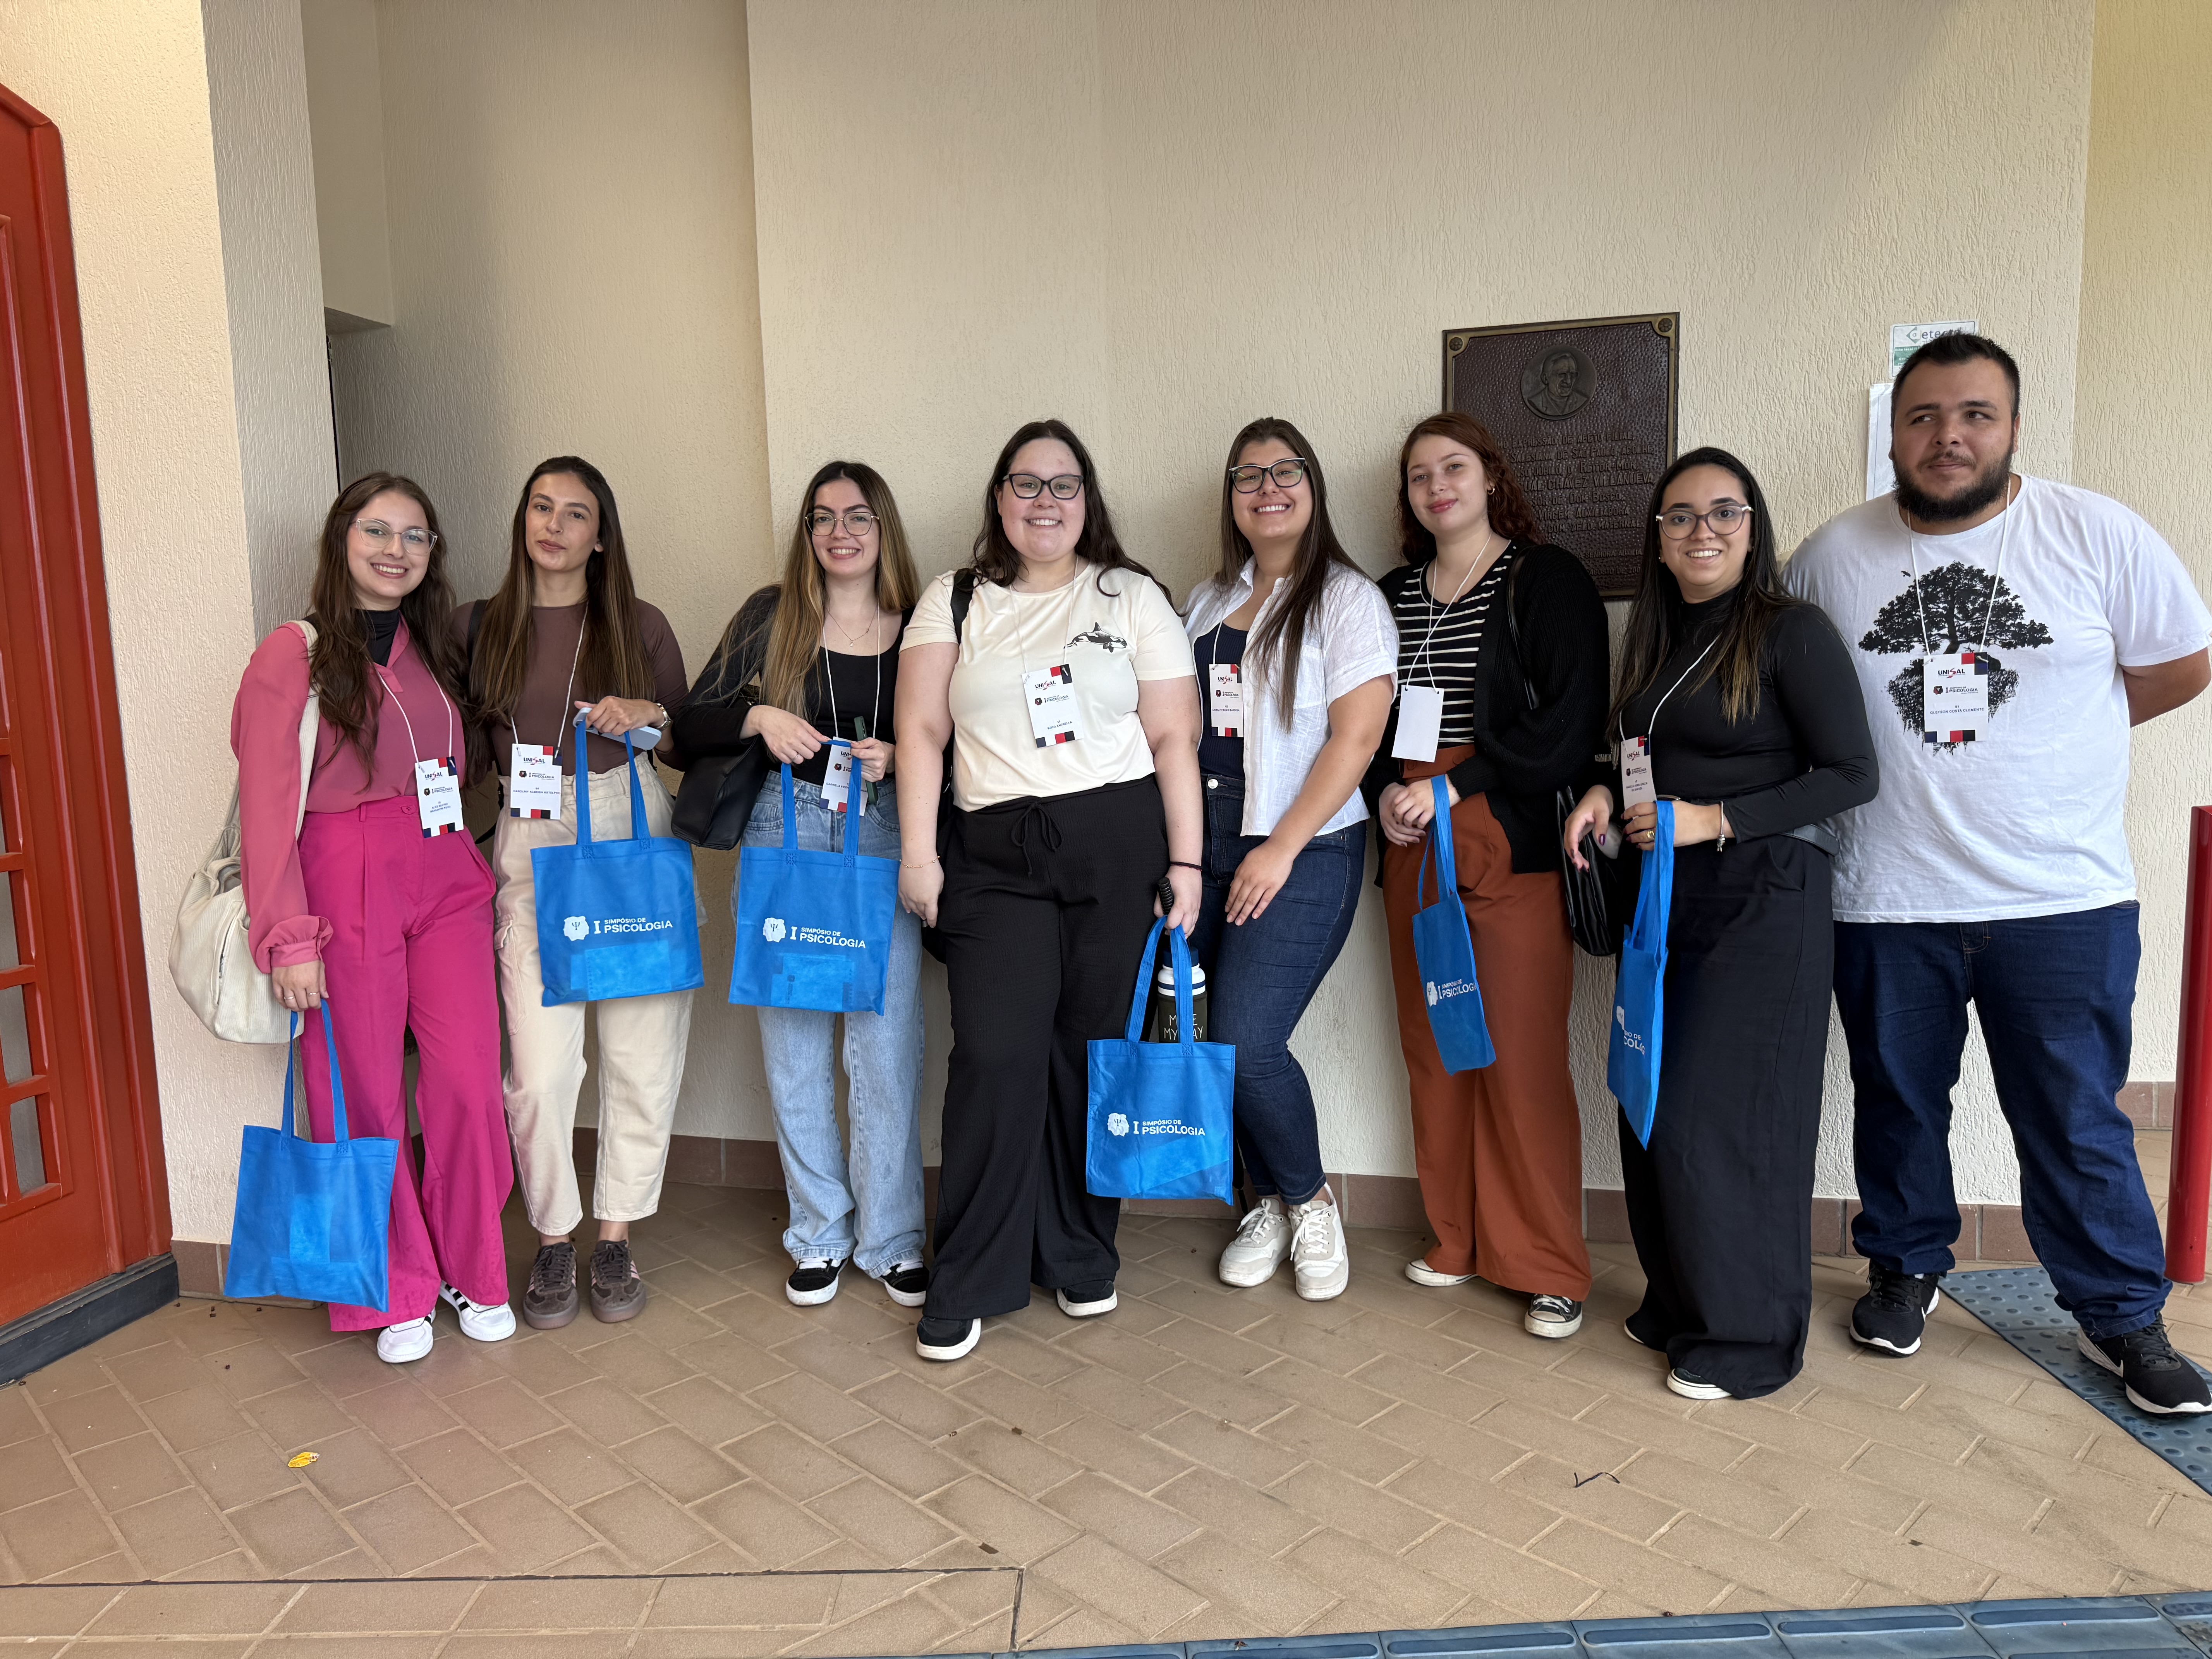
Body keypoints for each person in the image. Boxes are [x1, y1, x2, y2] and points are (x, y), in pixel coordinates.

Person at [1787, 332, 2212, 1415]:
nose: (1949, 436)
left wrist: (2067, 742)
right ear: (1893, 431)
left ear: (2013, 426)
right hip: (1887, 895)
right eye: (1924, 416)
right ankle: (1905, 1266)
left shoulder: (2096, 532)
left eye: (1975, 414)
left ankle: (2123, 1316)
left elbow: (2179, 664)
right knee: (1896, 1103)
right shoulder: (1831, 557)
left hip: (2061, 897)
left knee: (2074, 1115)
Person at [1564, 447, 1877, 1400]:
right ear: (1658, 542)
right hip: (1670, 900)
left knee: (1729, 1120)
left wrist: (1718, 818)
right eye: (1681, 517)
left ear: (1753, 528)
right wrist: (1599, 793)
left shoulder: (1791, 631)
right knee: (1655, 1100)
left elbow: (1853, 774)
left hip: (1763, 900)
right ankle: (1682, 1302)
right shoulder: (1658, 643)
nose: (1703, 531)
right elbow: (1637, 756)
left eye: (1723, 513)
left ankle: (1750, 1339)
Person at [896, 419, 1201, 1362]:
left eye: (1063, 485)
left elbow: (1174, 741)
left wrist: (1188, 866)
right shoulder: (954, 599)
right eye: (1026, 484)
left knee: (1087, 1053)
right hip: (994, 857)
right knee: (997, 1055)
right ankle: (972, 1274)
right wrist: (920, 856)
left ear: (1087, 499)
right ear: (999, 499)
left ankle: (1076, 1250)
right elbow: (921, 734)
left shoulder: (1132, 595)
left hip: (1118, 848)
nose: (1045, 501)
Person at [232, 472, 512, 1364]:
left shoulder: (434, 651)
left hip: (445, 872)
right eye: (378, 531)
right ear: (342, 539)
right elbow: (266, 809)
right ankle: (392, 1285)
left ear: (432, 553)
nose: (397, 550)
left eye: (415, 536)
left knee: (469, 1081)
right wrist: (288, 937)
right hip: (344, 879)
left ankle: (471, 1264)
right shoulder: (293, 655)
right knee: (362, 1090)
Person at [1362, 411, 1607, 1341]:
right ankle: (1457, 1236)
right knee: (1436, 1042)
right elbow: (1364, 718)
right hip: (1410, 835)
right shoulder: (1390, 594)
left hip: (1505, 829)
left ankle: (1546, 1264)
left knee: (1517, 1051)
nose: (1438, 486)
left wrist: (1453, 786)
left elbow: (1569, 721)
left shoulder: (1545, 578)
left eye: (1455, 467)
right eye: (1419, 474)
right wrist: (1386, 793)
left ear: (1492, 477)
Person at [673, 461, 926, 1311]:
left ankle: (892, 1239)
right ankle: (818, 1234)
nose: (839, 532)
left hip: (882, 836)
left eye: (857, 517)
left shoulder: (922, 623)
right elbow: (686, 727)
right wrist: (758, 717)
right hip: (782, 834)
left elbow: (961, 733)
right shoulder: (770, 616)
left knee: (885, 1050)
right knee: (794, 1050)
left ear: (883, 528)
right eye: (822, 518)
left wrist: (904, 755)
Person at [459, 456, 694, 1331]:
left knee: (641, 1055)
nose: (553, 525)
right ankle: (553, 1235)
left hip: (629, 824)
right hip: (531, 832)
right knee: (539, 1069)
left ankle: (615, 1236)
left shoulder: (639, 623)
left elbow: (687, 740)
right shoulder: (477, 624)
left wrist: (648, 714)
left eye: (575, 513)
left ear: (601, 537)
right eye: (540, 507)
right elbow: (458, 747)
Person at [1182, 419, 1395, 1300]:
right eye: (1249, 475)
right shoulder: (1205, 600)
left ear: (1313, 487)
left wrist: (1279, 846)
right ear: (1231, 498)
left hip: (1304, 848)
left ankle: (1310, 1200)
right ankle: (1264, 1202)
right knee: (1206, 1037)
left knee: (1247, 1038)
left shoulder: (1348, 600)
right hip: (1204, 848)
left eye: (1286, 471)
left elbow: (1357, 739)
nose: (1268, 488)